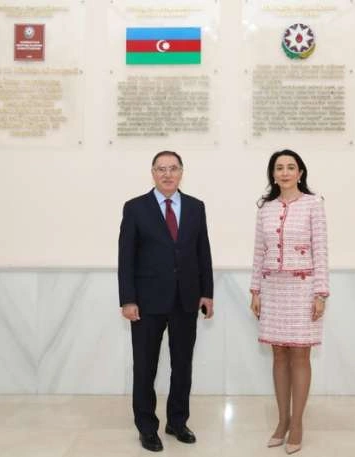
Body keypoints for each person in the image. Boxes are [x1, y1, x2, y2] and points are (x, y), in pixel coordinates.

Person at [118, 150, 214, 452]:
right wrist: (128, 299)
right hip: (146, 303)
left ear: (181, 172)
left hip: (186, 299)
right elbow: (126, 257)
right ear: (153, 173)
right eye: (161, 169)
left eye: (173, 168)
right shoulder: (135, 208)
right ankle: (147, 427)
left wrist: (207, 292)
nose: (167, 174)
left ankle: (177, 421)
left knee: (182, 365)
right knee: (145, 367)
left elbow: (203, 252)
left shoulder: (196, 207)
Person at [249, 149, 329, 455]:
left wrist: (320, 293)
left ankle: (297, 424)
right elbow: (259, 251)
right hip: (273, 288)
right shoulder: (265, 208)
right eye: (279, 168)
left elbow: (321, 250)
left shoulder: (313, 204)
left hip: (303, 287)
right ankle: (282, 421)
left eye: (290, 167)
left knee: (300, 355)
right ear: (273, 174)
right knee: (278, 355)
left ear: (300, 173)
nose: (284, 172)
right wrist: (255, 291)